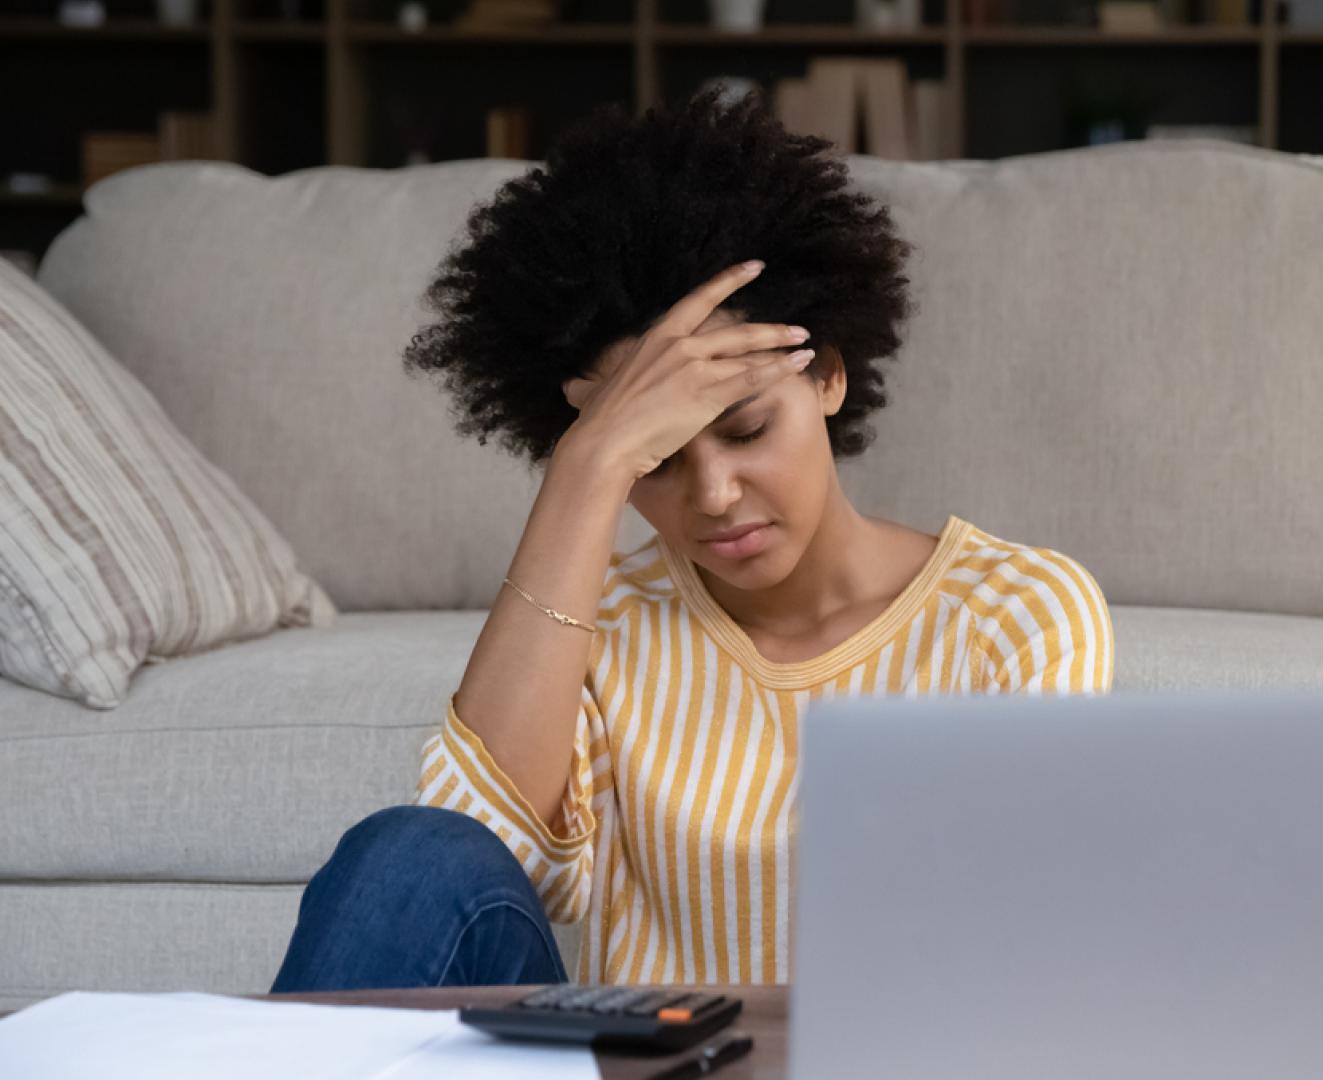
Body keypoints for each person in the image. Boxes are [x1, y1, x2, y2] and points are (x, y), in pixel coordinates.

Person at [270, 87, 1114, 993]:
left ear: (827, 375)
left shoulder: (1016, 616)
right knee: (409, 854)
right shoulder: (604, 627)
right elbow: (483, 851)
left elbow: (1027, 963)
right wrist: (586, 470)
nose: (713, 495)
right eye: (656, 462)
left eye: (746, 430)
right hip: (635, 1063)